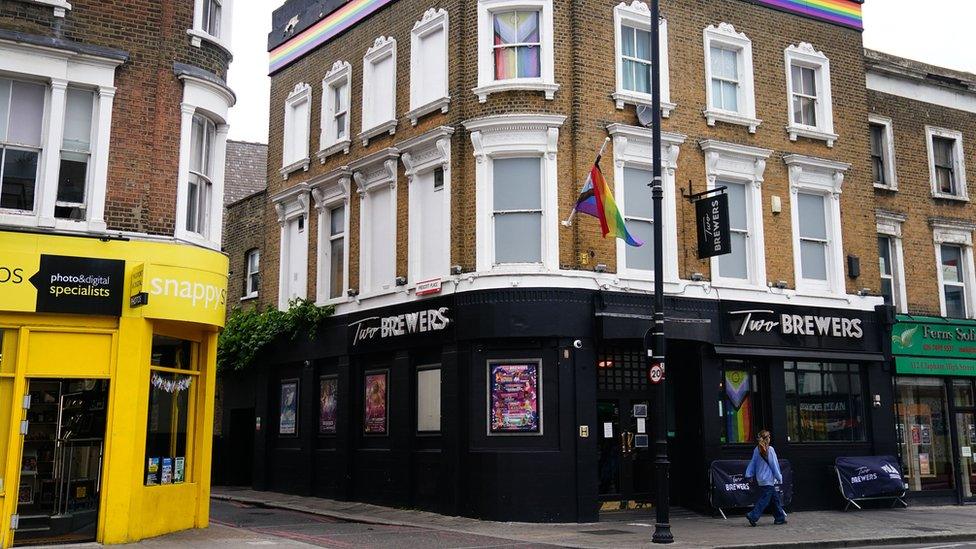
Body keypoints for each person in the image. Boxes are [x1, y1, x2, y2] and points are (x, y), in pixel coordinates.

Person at [744, 430, 787, 526]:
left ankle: (780, 518)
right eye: (769, 437)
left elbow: (753, 463)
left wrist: (749, 474)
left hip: (760, 478)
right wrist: (779, 476)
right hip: (768, 479)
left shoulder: (756, 449)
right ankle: (753, 515)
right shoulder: (770, 449)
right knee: (764, 500)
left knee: (774, 498)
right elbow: (774, 465)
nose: (770, 439)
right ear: (767, 439)